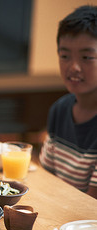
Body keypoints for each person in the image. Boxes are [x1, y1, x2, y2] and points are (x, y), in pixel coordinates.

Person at [39, 5, 97, 199]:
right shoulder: (60, 109)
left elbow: (91, 205)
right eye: (65, 56)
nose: (74, 67)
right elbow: (46, 178)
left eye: (87, 57)